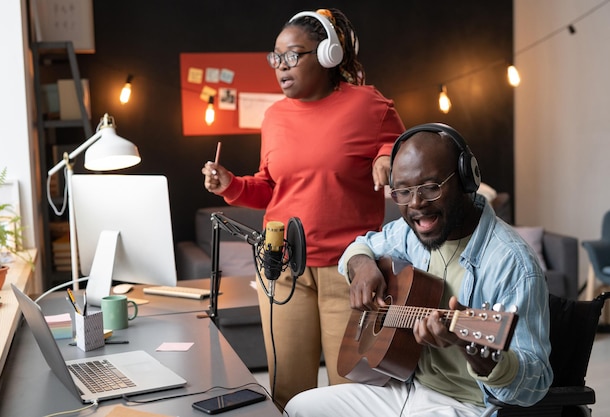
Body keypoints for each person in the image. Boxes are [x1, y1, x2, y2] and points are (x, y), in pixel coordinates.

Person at [201, 8, 405, 408]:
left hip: (350, 271)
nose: (281, 66)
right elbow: (270, 188)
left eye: (292, 55)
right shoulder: (274, 117)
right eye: (276, 57)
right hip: (282, 266)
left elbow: (400, 149)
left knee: (351, 394)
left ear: (328, 55)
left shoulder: (370, 106)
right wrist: (231, 185)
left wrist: (385, 158)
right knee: (286, 391)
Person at [284, 123, 553, 417]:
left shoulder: (511, 263)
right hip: (403, 386)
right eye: (402, 191)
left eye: (430, 187)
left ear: (466, 178)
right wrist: (361, 266)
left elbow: (536, 382)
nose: (416, 204)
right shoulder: (408, 233)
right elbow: (363, 245)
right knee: (299, 407)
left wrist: (477, 355)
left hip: (468, 405)